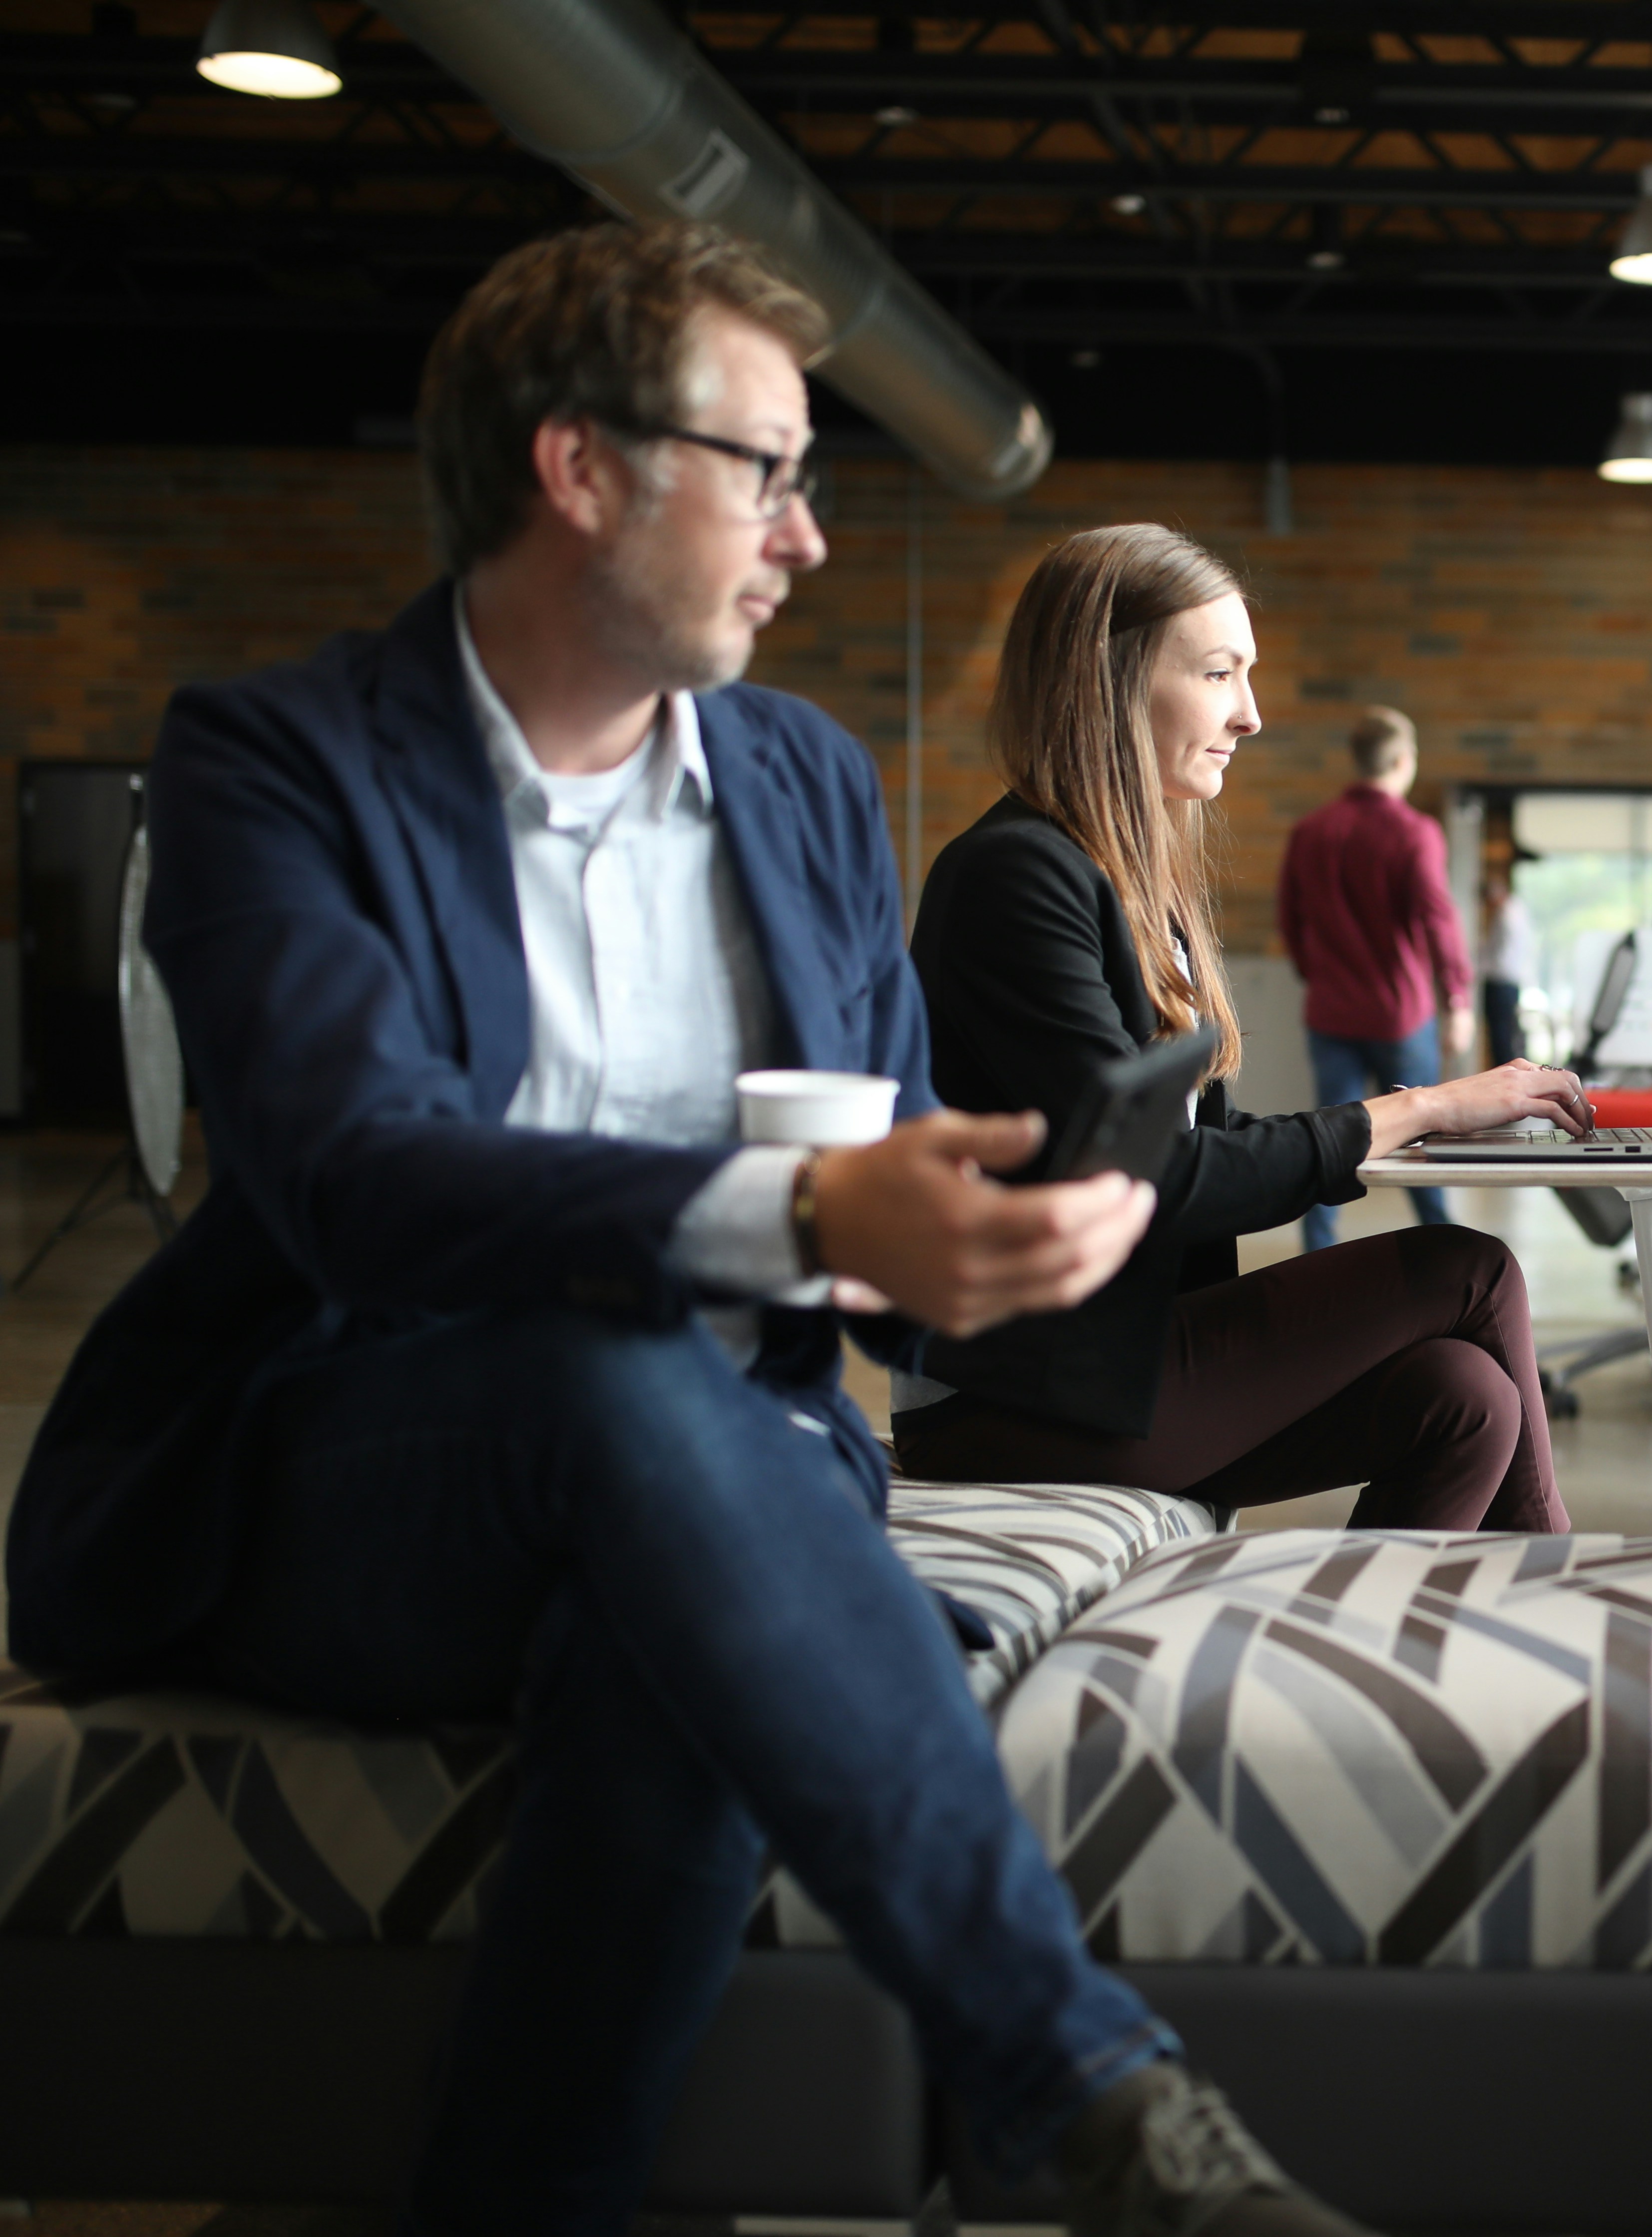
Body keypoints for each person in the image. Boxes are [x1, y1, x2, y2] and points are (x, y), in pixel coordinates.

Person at [1, 224, 1372, 2237]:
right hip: (352, 1465)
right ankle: (1090, 2090)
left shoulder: (802, 782)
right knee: (601, 1372)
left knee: (667, 1641)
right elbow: (352, 1178)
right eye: (769, 470)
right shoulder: (277, 763)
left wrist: (974, 1231)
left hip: (735, 1476)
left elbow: (896, 1147)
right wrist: (805, 1205)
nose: (807, 539)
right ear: (580, 469)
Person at [894, 526, 1582, 1531]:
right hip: (1012, 1392)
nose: (1250, 715)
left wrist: (1422, 1128)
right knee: (1469, 1268)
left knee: (1463, 1397)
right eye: (1220, 673)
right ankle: (1565, 1609)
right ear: (1110, 683)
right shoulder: (1015, 876)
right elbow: (1158, 1176)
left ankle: (1367, 1672)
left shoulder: (1133, 886)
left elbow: (1197, 1155)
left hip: (1121, 1349)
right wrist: (1418, 1105)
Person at [1276, 706, 1469, 1248]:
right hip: (1400, 1017)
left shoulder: (1311, 831)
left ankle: (1316, 1256)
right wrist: (1458, 998)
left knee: (1328, 1147)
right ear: (1404, 760)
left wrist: (1317, 974)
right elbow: (1438, 918)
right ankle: (1448, 1251)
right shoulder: (1415, 833)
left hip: (1331, 1012)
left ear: (1356, 760)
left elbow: (1290, 920)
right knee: (1423, 1141)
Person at [1479, 851, 1541, 1067]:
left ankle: (1505, 1077)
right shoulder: (1515, 911)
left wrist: (1483, 967)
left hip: (1502, 981)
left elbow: (1502, 954)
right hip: (1507, 981)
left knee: (1502, 1037)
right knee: (1504, 1034)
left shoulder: (1509, 915)